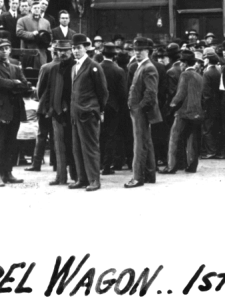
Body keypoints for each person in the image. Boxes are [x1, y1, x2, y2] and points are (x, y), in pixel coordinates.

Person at [0, 39, 31, 187]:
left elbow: (25, 85)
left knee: (11, 144)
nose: (4, 51)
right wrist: (16, 83)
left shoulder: (16, 67)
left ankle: (8, 173)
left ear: (10, 50)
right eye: (1, 49)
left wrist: (17, 84)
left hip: (15, 110)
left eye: (7, 48)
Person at [69, 34, 108, 191]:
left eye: (78, 48)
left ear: (85, 48)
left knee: (90, 147)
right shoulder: (74, 67)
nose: (75, 51)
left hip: (88, 113)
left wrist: (97, 110)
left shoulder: (94, 66)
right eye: (73, 48)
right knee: (77, 147)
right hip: (76, 113)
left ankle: (94, 180)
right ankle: (82, 178)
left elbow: (103, 92)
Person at [36, 40, 77, 185]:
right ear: (56, 52)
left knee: (73, 144)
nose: (63, 53)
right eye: (60, 50)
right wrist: (49, 108)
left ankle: (76, 175)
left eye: (66, 50)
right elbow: (47, 90)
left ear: (71, 51)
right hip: (57, 112)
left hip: (73, 113)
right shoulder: (54, 69)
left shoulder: (76, 67)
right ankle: (61, 176)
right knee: (58, 146)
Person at [126, 36, 161, 188]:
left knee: (139, 145)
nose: (137, 53)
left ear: (148, 51)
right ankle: (149, 175)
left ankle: (137, 178)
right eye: (135, 50)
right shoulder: (142, 66)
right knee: (145, 142)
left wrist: (139, 108)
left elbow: (151, 93)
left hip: (140, 112)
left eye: (141, 50)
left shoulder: (148, 67)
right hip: (139, 111)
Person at [166, 49, 206, 174]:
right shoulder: (199, 75)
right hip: (197, 112)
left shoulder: (184, 75)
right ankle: (192, 166)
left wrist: (171, 106)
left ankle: (171, 166)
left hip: (184, 112)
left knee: (174, 138)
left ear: (184, 63)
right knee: (192, 139)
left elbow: (180, 94)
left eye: (181, 63)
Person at [99, 41, 128, 175]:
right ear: (114, 56)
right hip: (114, 107)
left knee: (99, 136)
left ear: (103, 54)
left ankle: (98, 163)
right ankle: (106, 166)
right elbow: (123, 92)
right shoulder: (119, 70)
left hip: (98, 106)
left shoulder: (97, 67)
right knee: (111, 136)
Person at [17, 0, 52, 68]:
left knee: (41, 72)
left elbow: (50, 35)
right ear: (30, 9)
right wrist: (32, 34)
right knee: (28, 72)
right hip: (28, 52)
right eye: (35, 8)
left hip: (41, 53)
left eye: (38, 8)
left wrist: (47, 41)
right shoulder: (22, 20)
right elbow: (19, 32)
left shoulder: (46, 22)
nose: (37, 10)